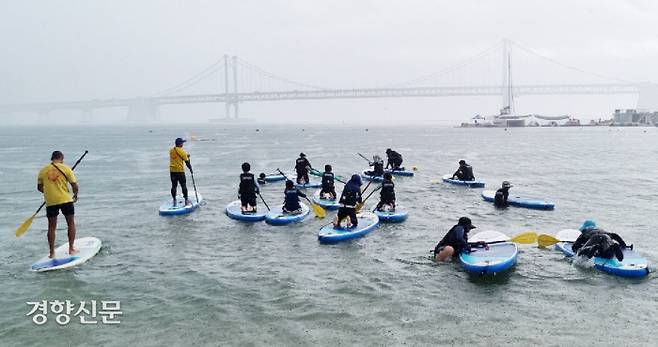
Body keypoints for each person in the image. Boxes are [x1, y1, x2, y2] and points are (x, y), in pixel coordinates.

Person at [37, 151, 79, 259]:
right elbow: (74, 185)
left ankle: (52, 253)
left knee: (51, 227)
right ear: (61, 158)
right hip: (65, 199)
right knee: (70, 223)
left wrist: (50, 192)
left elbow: (39, 188)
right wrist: (75, 194)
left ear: (52, 158)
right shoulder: (65, 168)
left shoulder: (43, 170)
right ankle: (71, 249)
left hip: (51, 201)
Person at [169, 137, 193, 206]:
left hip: (172, 171)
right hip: (180, 171)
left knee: (174, 186)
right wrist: (191, 169)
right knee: (183, 185)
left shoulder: (171, 150)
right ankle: (186, 200)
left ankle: (174, 199)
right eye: (182, 143)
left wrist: (186, 156)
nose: (183, 144)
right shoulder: (182, 152)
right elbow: (187, 162)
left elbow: (177, 156)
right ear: (180, 144)